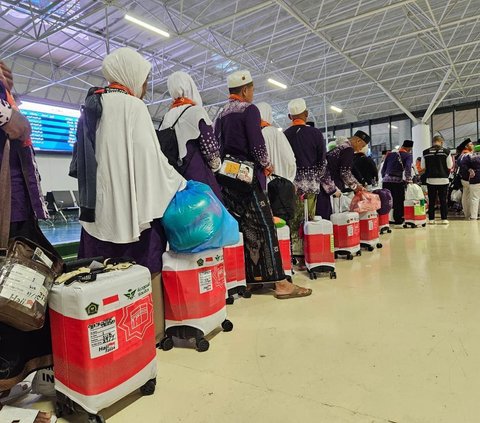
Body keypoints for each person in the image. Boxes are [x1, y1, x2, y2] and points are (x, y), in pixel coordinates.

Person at [73, 48, 186, 343]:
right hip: (132, 212)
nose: (147, 87)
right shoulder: (133, 107)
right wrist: (179, 182)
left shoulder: (91, 104)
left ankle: (106, 337)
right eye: (146, 79)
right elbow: (150, 159)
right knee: (145, 267)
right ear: (131, 75)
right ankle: (150, 333)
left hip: (95, 212)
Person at [214, 70, 311, 299]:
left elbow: (217, 146)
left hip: (227, 178)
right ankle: (280, 282)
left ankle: (250, 280)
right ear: (246, 90)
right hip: (248, 178)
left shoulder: (221, 113)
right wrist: (266, 164)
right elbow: (257, 144)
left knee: (243, 228)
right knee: (266, 227)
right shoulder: (249, 110)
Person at [0, 61, 57, 423]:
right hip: (8, 210)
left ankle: (16, 378)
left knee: (26, 284)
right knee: (11, 290)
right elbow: (17, 126)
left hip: (16, 209)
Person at [160, 71, 222, 200]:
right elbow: (211, 150)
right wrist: (217, 168)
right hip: (199, 178)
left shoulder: (167, 116)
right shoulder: (197, 111)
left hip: (178, 179)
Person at [283, 98, 330, 265]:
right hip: (310, 184)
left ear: (290, 116)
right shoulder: (315, 134)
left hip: (291, 184)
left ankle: (293, 251)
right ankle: (308, 250)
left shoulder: (284, 135)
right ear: (306, 114)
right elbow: (322, 162)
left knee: (293, 217)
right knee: (308, 217)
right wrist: (315, 177)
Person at [256, 102, 296, 182]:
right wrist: (290, 178)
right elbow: (289, 159)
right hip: (280, 183)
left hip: (261, 184)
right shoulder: (277, 133)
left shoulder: (253, 135)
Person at [421, 135, 453, 224]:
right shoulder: (446, 152)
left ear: (433, 142)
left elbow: (423, 166)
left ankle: (431, 219)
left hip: (430, 180)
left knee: (431, 200)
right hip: (443, 180)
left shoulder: (425, 152)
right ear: (441, 142)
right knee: (443, 200)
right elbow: (449, 166)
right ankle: (444, 219)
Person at [381, 140, 414, 226]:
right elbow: (408, 168)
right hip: (397, 181)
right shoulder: (408, 155)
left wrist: (384, 177)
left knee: (387, 200)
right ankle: (398, 219)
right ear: (409, 148)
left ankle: (387, 219)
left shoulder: (390, 154)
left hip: (386, 181)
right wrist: (409, 180)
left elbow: (383, 168)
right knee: (398, 200)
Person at [326, 131, 369, 195]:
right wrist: (357, 187)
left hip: (326, 184)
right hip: (332, 187)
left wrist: (357, 184)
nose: (360, 149)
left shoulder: (342, 147)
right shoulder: (348, 150)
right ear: (358, 141)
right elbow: (345, 173)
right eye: (362, 146)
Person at [460, 143, 480, 220]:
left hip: (475, 178)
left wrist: (470, 170)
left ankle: (474, 216)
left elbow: (462, 164)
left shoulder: (469, 155)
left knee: (474, 198)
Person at [455, 138, 474, 218]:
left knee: (465, 196)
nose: (473, 145)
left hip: (463, 179)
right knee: (473, 197)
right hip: (470, 179)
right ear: (466, 146)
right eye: (471, 144)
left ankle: (467, 214)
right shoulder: (468, 155)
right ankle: (473, 214)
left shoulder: (460, 155)